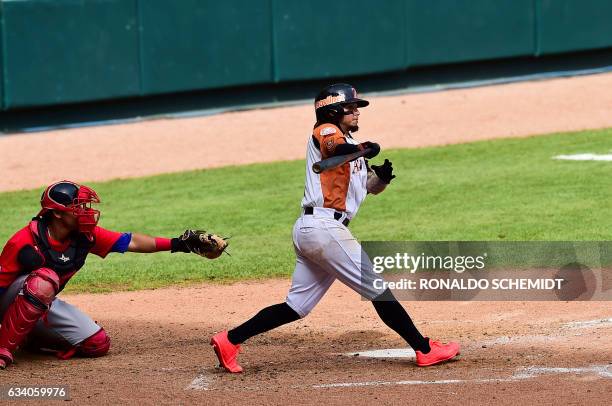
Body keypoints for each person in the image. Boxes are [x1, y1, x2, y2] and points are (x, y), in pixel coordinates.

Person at [210, 83, 460, 373]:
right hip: (323, 228)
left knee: (296, 307)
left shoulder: (351, 149)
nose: (356, 111)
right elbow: (334, 147)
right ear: (333, 109)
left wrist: (382, 178)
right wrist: (365, 148)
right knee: (378, 289)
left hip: (315, 231)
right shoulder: (327, 130)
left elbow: (369, 188)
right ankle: (425, 349)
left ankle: (229, 340)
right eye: (351, 107)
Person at [0, 180, 226, 369]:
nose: (86, 211)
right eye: (79, 207)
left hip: (38, 305)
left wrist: (180, 244)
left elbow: (132, 242)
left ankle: (28, 338)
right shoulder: (23, 241)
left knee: (96, 344)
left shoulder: (84, 236)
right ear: (58, 213)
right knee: (43, 281)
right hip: (8, 301)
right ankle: (3, 349)